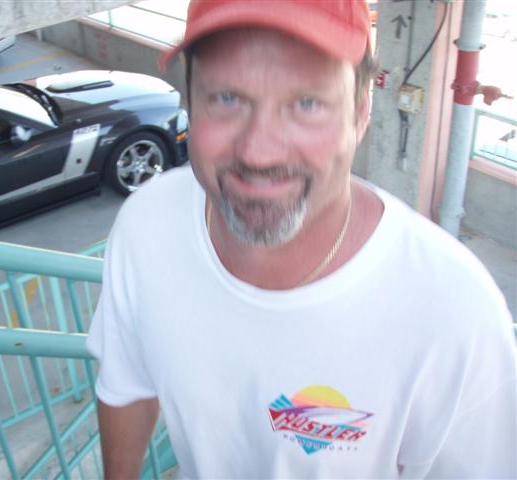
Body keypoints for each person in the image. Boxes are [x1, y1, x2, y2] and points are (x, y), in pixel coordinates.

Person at [86, 1, 517, 478]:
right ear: (190, 103)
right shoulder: (145, 227)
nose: (259, 152)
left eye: (306, 103)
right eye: (227, 98)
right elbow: (126, 383)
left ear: (360, 113)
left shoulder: (455, 314)